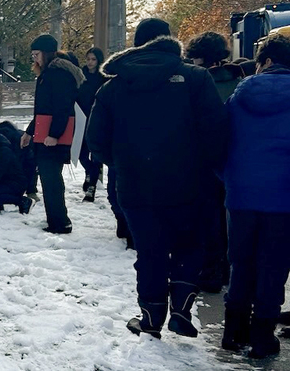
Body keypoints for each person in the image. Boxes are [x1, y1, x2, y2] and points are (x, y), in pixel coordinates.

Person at [86, 18, 228, 339]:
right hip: (190, 184)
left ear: (138, 44)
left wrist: (124, 163)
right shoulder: (195, 79)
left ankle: (150, 317)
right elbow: (216, 131)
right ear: (170, 40)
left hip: (136, 187)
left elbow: (96, 141)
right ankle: (181, 311)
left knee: (150, 251)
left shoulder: (114, 86)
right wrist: (204, 167)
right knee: (189, 245)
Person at [221, 35, 290, 359]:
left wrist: (231, 179)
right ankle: (262, 339)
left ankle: (232, 333)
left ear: (264, 62)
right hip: (284, 200)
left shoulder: (239, 95)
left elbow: (219, 142)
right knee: (273, 267)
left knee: (242, 263)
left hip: (241, 196)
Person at [185, 31, 244, 293]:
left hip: (202, 161)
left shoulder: (197, 82)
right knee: (228, 216)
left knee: (207, 219)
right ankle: (229, 269)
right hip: (234, 159)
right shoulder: (239, 79)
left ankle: (210, 272)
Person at [21, 34, 83, 234]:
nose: (35, 59)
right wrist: (29, 132)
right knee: (49, 179)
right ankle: (55, 220)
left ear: (46, 53)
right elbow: (41, 109)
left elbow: (62, 107)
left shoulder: (58, 74)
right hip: (44, 133)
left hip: (53, 137)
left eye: (37, 54)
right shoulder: (48, 73)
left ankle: (60, 222)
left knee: (51, 179)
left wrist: (54, 134)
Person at [77, 47, 106, 203]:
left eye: (93, 59)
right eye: (88, 59)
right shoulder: (81, 75)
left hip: (98, 121)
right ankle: (90, 172)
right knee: (81, 155)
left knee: (96, 156)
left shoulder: (103, 78)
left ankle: (91, 189)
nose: (90, 62)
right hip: (82, 119)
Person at [0, 121, 38, 200]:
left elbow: (31, 162)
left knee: (29, 165)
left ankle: (30, 191)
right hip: (17, 152)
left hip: (23, 152)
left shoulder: (22, 141)